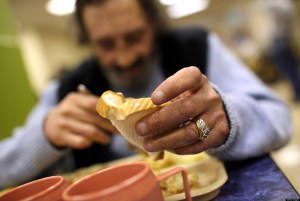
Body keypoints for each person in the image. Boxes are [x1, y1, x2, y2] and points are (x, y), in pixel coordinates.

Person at [0, 0, 291, 189]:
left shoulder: (197, 47)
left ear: (154, 24)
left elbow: (280, 119)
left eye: (134, 37)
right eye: (105, 44)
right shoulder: (67, 88)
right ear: (87, 41)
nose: (125, 58)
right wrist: (44, 137)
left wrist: (227, 118)